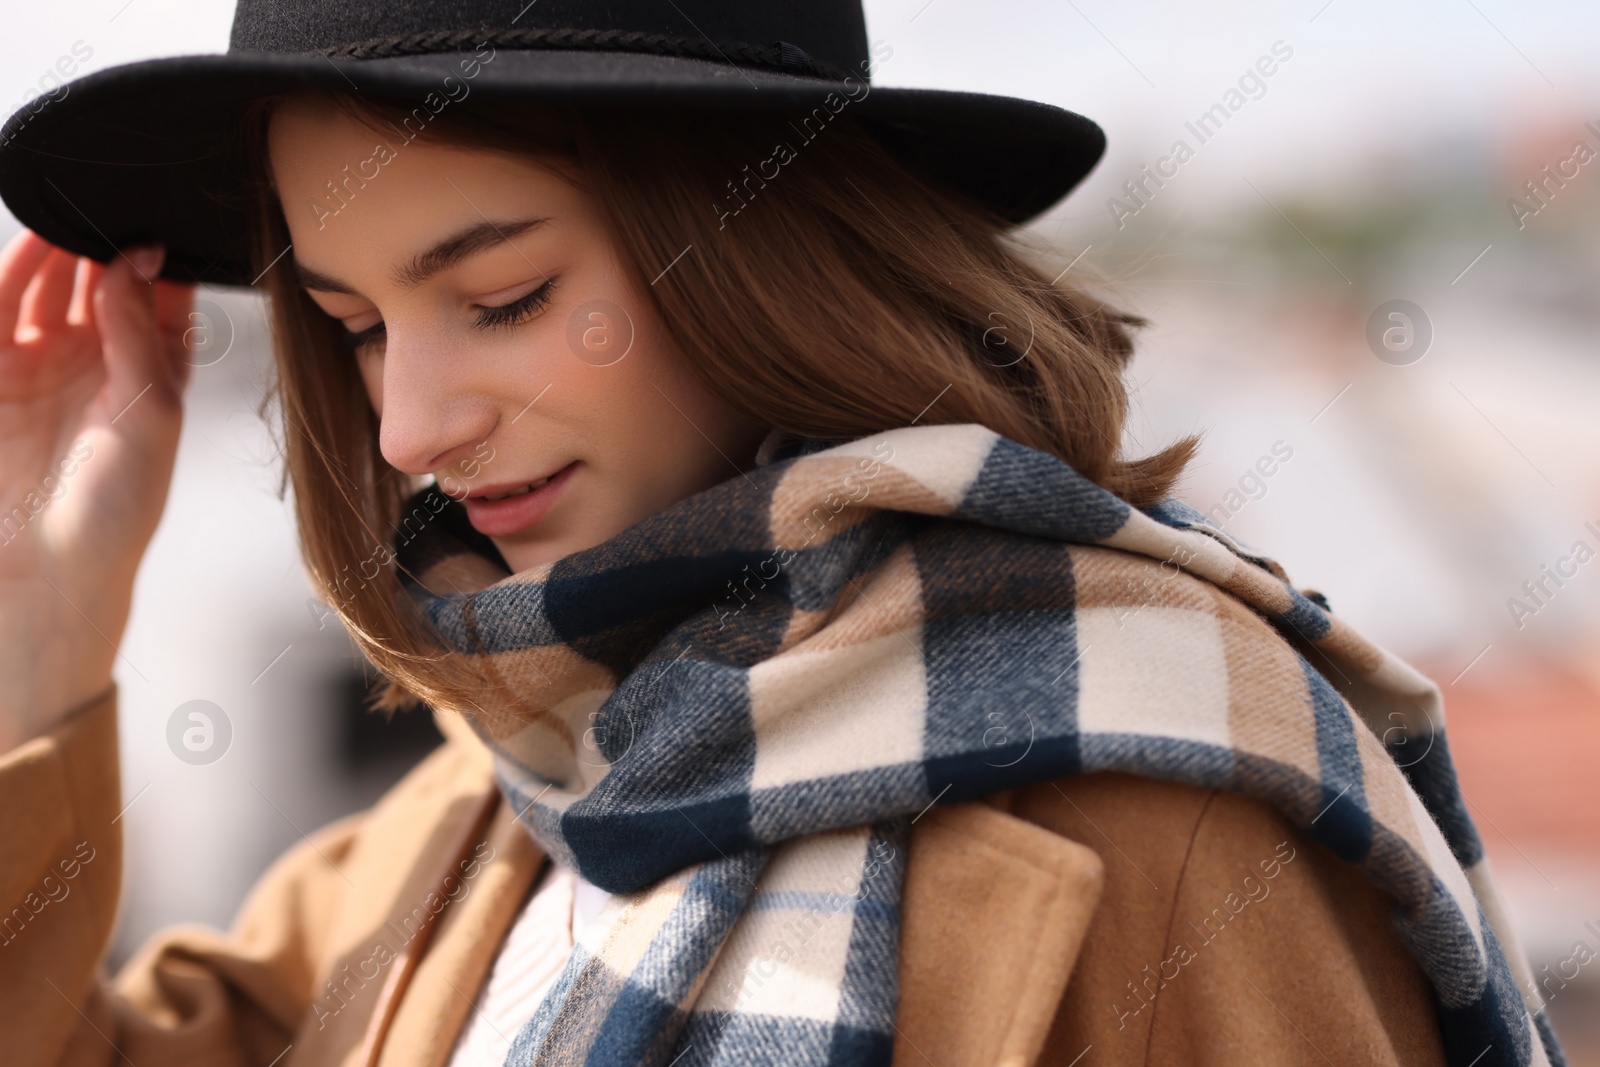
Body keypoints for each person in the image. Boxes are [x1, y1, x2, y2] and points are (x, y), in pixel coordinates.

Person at [0, 2, 1568, 1066]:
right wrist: (45, 645)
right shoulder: (528, 782)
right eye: (351, 326)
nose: (409, 428)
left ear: (755, 250)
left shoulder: (1164, 820)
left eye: (503, 300)